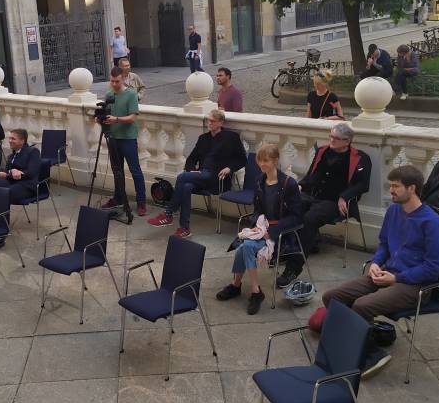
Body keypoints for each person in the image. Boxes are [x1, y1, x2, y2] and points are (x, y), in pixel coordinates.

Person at [322, 165, 439, 377]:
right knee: (331, 297)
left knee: (361, 305)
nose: (391, 190)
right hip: (386, 273)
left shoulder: (432, 223)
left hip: (414, 285)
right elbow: (384, 244)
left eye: (396, 186)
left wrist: (397, 278)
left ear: (412, 188)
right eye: (391, 185)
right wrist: (375, 263)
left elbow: (433, 268)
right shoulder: (394, 210)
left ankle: (372, 355)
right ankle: (353, 339)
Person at [215, 144, 303, 315]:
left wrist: (274, 230)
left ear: (275, 161)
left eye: (266, 161)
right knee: (244, 246)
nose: (262, 164)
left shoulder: (289, 183)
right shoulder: (260, 181)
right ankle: (252, 290)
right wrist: (257, 225)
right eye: (259, 160)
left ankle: (240, 286)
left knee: (244, 246)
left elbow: (297, 217)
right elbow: (258, 211)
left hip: (281, 234)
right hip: (262, 229)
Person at [282, 122, 371, 286]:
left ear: (347, 141)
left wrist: (344, 196)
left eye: (336, 138)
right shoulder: (322, 151)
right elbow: (313, 174)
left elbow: (363, 185)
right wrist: (301, 185)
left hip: (335, 202)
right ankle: (287, 249)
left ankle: (293, 268)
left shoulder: (361, 158)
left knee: (309, 219)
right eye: (331, 136)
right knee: (289, 206)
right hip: (313, 195)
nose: (332, 140)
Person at [147, 109, 246, 238]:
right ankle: (184, 228)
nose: (209, 123)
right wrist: (192, 170)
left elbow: (242, 159)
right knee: (186, 186)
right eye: (208, 120)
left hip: (218, 178)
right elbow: (191, 159)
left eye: (212, 121)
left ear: (221, 123)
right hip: (201, 175)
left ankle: (168, 213)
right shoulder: (203, 139)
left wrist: (229, 168)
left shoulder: (231, 138)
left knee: (182, 177)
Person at [101, 66, 147, 216]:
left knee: (135, 170)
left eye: (117, 81)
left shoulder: (131, 94)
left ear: (122, 79)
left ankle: (141, 202)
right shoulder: (108, 94)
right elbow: (106, 114)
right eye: (112, 81)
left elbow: (132, 117)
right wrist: (101, 119)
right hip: (113, 138)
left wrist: (116, 120)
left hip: (128, 138)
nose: (114, 84)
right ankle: (118, 197)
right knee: (116, 170)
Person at [0, 128, 42, 251]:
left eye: (13, 138)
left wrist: (13, 173)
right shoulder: (11, 155)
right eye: (9, 138)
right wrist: (8, 172)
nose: (10, 141)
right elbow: (8, 171)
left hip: (27, 186)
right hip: (12, 183)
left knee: (2, 194)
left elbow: (31, 173)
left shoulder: (33, 152)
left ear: (22, 140)